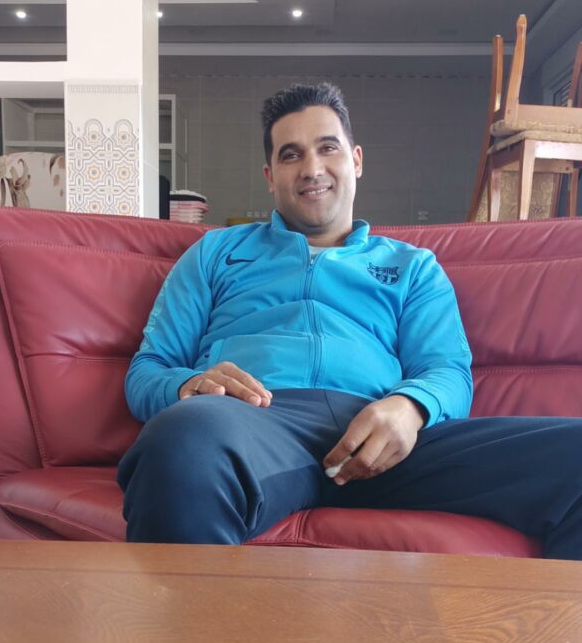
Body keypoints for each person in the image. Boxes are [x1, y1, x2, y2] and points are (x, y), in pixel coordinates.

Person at [118, 82, 582, 560]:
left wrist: (409, 407)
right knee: (181, 441)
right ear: (270, 176)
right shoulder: (215, 252)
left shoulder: (412, 266)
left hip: (383, 434)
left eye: (327, 148)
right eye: (291, 155)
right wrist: (188, 386)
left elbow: (447, 370)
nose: (311, 168)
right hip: (251, 425)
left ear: (356, 160)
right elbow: (148, 369)